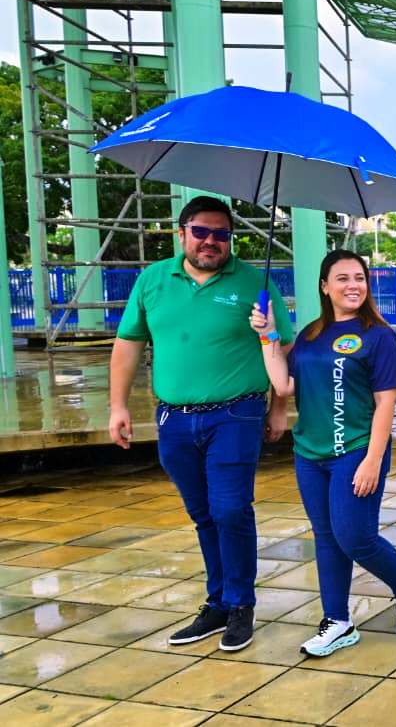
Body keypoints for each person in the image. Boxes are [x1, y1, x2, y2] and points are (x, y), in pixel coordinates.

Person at [108, 196, 293, 652]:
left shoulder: (255, 280)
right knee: (203, 514)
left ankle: (241, 605)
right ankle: (217, 603)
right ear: (182, 233)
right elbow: (128, 343)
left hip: (236, 413)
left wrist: (277, 409)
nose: (212, 241)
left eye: (222, 234)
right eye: (202, 232)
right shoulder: (153, 280)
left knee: (231, 508)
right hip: (174, 419)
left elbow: (283, 347)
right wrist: (118, 406)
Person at [249, 250, 396, 658]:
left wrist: (372, 459)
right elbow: (283, 385)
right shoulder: (312, 335)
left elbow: (386, 403)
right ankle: (337, 620)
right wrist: (268, 335)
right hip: (310, 452)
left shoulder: (379, 336)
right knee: (326, 537)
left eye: (360, 278)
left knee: (355, 536)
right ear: (324, 287)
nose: (353, 286)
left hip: (356, 449)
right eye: (343, 278)